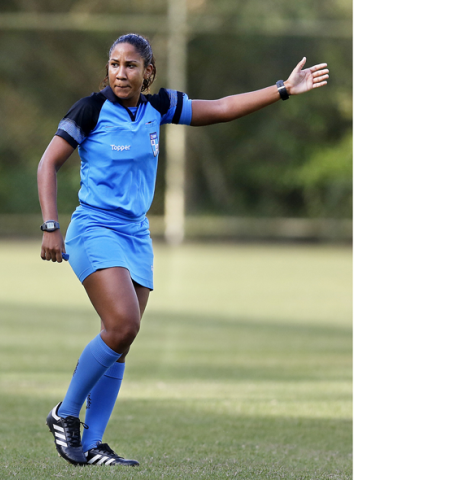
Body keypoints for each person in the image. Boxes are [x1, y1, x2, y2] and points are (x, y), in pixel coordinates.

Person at [37, 33, 329, 467]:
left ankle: (95, 444)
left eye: (131, 65)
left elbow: (223, 108)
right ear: (107, 69)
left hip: (136, 234)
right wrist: (50, 225)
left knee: (124, 338)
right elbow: (48, 163)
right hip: (94, 227)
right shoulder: (90, 109)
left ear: (147, 72)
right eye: (115, 64)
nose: (121, 72)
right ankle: (64, 414)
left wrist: (282, 89)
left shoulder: (160, 107)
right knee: (121, 324)